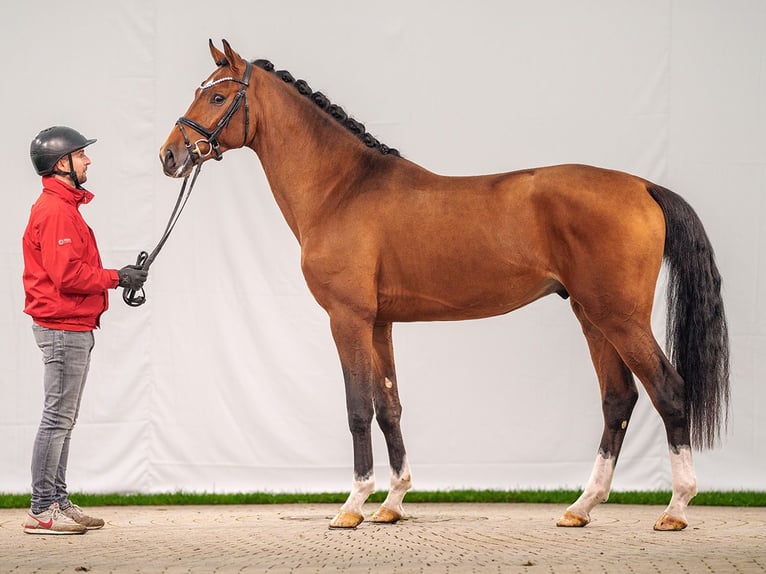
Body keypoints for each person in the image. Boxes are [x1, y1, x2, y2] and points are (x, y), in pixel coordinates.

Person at [22, 126, 148, 534]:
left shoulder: (65, 207)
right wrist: (118, 277)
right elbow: (68, 276)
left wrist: (117, 277)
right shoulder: (56, 210)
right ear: (62, 164)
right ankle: (42, 509)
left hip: (71, 325)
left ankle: (56, 499)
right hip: (62, 328)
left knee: (64, 419)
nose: (88, 160)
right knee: (57, 419)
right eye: (81, 155)